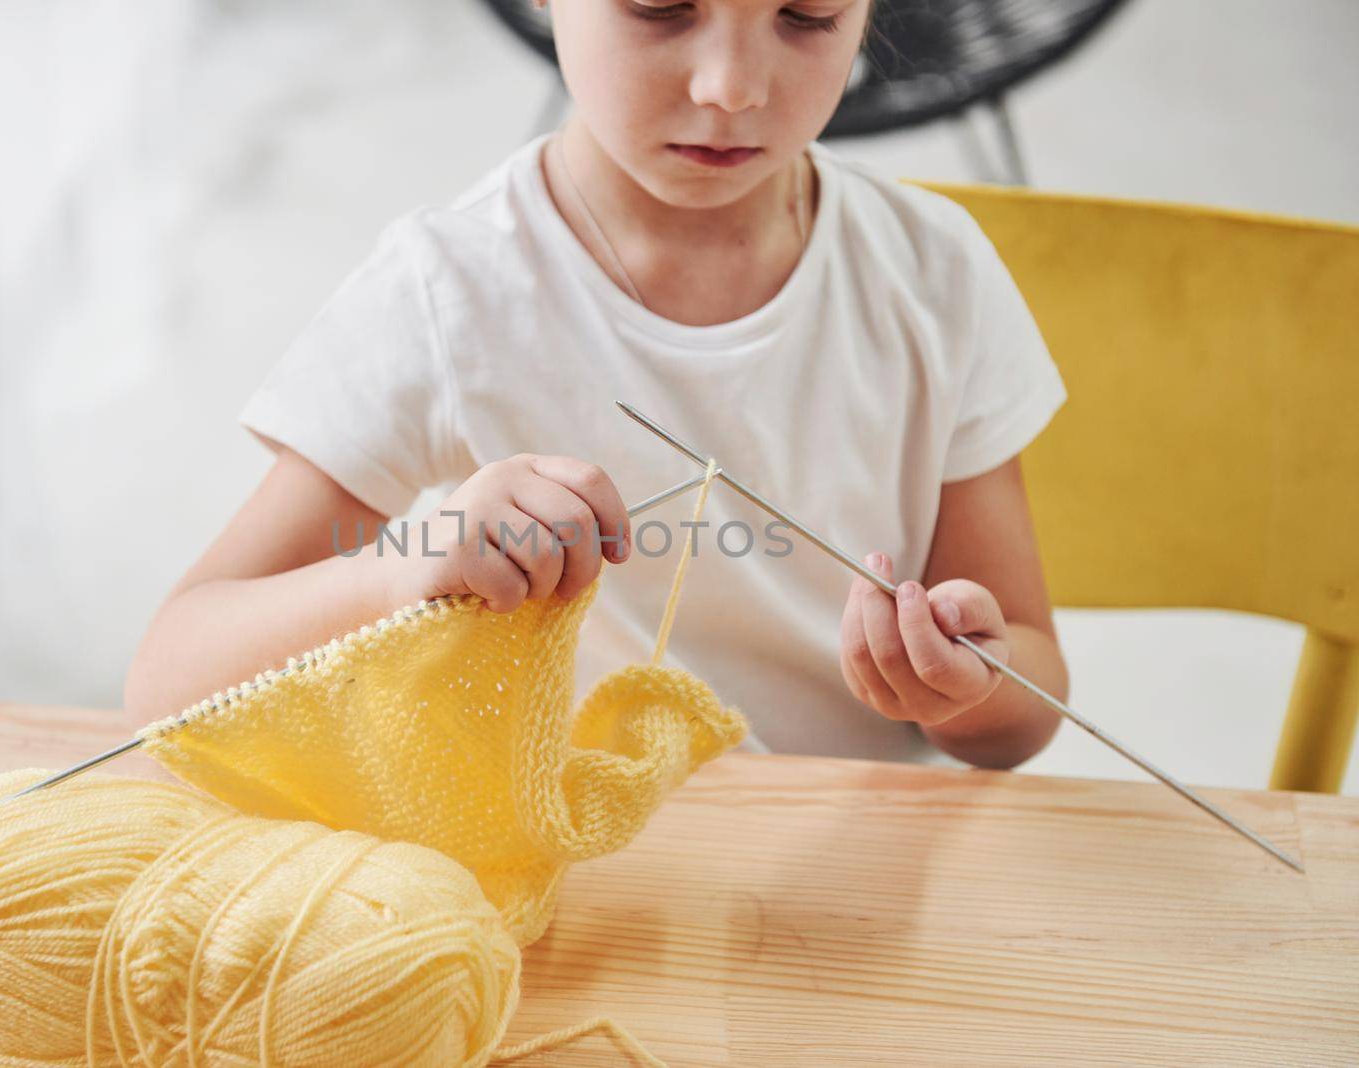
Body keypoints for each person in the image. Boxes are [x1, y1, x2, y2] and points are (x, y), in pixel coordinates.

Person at [124, 0, 1071, 770]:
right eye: (660, 9)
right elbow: (171, 675)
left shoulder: (933, 277)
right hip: (561, 874)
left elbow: (1025, 699)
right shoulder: (448, 292)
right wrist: (409, 569)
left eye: (806, 16)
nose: (731, 88)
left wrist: (967, 690)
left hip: (844, 879)